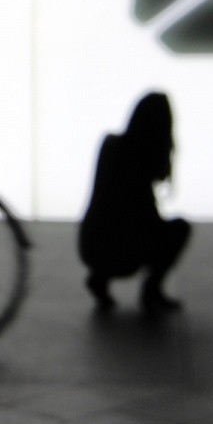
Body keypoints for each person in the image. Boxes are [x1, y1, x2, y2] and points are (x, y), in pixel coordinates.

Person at [79, 92, 191, 314]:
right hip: (129, 252)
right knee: (180, 228)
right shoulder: (148, 158)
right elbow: (149, 209)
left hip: (91, 245)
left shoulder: (110, 144)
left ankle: (100, 277)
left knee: (118, 228)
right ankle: (151, 290)